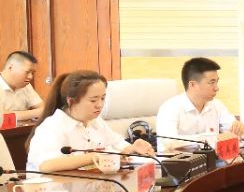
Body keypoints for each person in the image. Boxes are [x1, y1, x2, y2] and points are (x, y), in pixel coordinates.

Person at [26, 70, 156, 172]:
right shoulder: (52, 126)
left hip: (91, 187)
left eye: (103, 98)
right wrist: (95, 156)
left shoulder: (96, 122)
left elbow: (117, 145)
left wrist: (133, 148)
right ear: (71, 101)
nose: (100, 105)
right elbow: (46, 165)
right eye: (93, 100)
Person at [155, 57, 244, 150]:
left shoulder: (217, 105)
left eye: (216, 82)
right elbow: (169, 142)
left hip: (212, 159)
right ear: (193, 85)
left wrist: (242, 130)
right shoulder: (169, 108)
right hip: (176, 159)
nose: (217, 88)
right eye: (211, 82)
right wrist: (211, 138)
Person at [0, 51, 43, 124]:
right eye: (27, 72)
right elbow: (1, 116)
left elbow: (43, 108)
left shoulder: (26, 85)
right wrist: (34, 113)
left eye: (32, 73)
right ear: (10, 67)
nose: (30, 77)